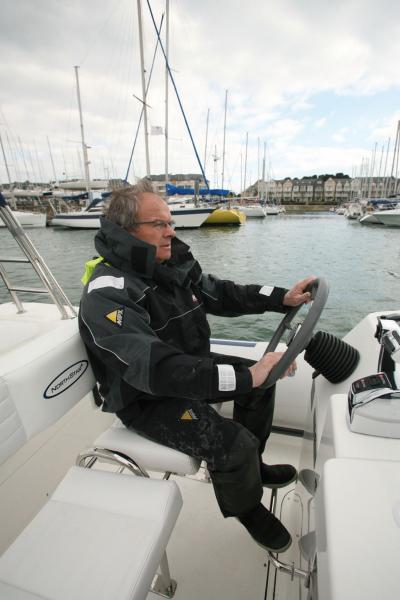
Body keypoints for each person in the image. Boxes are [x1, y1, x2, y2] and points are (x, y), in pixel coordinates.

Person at [78, 179, 315, 553]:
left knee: (261, 385)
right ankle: (247, 507)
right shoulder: (107, 292)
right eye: (159, 224)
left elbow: (219, 293)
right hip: (146, 398)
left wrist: (280, 298)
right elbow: (155, 367)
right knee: (233, 444)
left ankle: (256, 463)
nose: (171, 231)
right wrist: (246, 374)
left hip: (189, 367)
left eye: (170, 222)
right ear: (127, 231)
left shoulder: (167, 264)